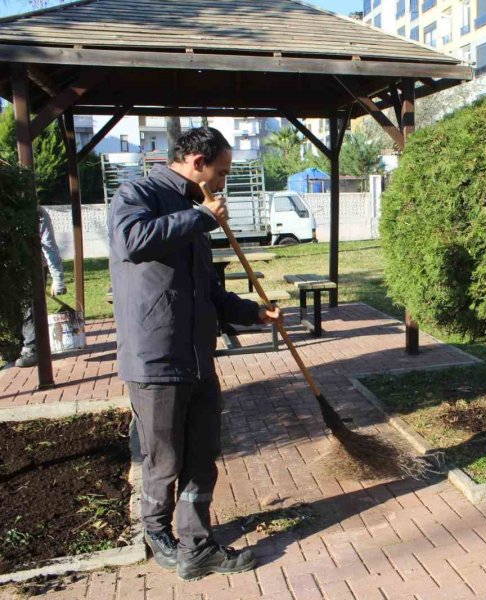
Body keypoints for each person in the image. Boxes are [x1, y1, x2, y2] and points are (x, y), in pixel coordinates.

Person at [108, 127, 282, 581]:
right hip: (156, 357)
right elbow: (134, 241)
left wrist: (252, 313)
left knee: (202, 455)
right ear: (198, 161)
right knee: (164, 458)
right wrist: (202, 216)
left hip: (198, 356)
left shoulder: (194, 208)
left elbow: (205, 289)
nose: (223, 181)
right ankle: (156, 531)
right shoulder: (137, 194)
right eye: (221, 172)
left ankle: (197, 545)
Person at [16, 206, 66, 368]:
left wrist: (57, 279)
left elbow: (48, 245)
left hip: (33, 268)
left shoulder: (37, 212)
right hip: (10, 268)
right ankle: (18, 344)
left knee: (29, 307)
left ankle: (31, 347)